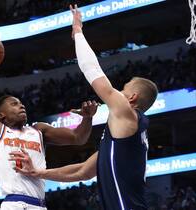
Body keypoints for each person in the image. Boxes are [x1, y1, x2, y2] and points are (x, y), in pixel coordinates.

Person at [9, 4, 158, 210]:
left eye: (122, 89)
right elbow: (82, 172)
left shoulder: (127, 114)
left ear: (131, 98)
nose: (116, 92)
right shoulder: (122, 140)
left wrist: (78, 31)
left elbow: (92, 70)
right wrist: (39, 173)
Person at [0, 59, 98, 210]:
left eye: (21, 103)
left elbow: (79, 138)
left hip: (40, 205)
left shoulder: (39, 130)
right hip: (15, 204)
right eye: (14, 104)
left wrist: (87, 118)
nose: (21, 105)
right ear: (2, 115)